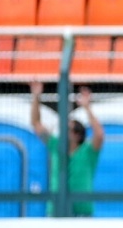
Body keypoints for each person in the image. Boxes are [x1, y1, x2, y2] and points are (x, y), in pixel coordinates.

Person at [30, 81, 105, 217]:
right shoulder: (56, 146)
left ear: (77, 134)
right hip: (57, 209)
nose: (63, 132)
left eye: (68, 129)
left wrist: (87, 107)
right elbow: (36, 124)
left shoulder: (87, 151)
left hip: (82, 210)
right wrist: (36, 96)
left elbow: (99, 135)